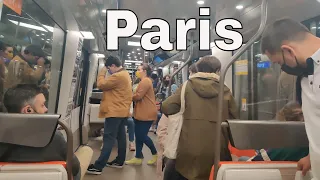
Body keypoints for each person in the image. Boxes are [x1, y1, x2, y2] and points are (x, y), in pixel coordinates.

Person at [260, 17, 320, 179]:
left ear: (288, 50)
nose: (283, 69)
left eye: (279, 63)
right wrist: (313, 156)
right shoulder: (305, 77)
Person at [161, 56, 238, 180]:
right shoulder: (225, 89)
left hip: (187, 148)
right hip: (217, 149)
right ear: (218, 71)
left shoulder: (187, 86)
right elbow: (235, 118)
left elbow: (166, 107)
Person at [0, 84, 81, 180]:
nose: (46, 109)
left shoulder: (3, 137)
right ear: (28, 110)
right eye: (42, 105)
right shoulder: (55, 138)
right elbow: (74, 168)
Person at [87, 56, 132, 175]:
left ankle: (98, 166)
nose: (108, 71)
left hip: (115, 111)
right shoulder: (125, 73)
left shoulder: (118, 76)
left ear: (112, 66)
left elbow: (101, 84)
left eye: (109, 69)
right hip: (122, 110)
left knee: (108, 138)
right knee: (121, 137)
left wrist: (102, 71)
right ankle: (120, 160)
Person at [125, 63, 158, 166]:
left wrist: (128, 96)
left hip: (146, 113)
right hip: (141, 112)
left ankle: (155, 153)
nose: (137, 71)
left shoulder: (146, 81)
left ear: (144, 71)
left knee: (142, 136)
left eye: (139, 70)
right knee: (138, 136)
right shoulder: (143, 81)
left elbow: (138, 96)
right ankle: (138, 156)